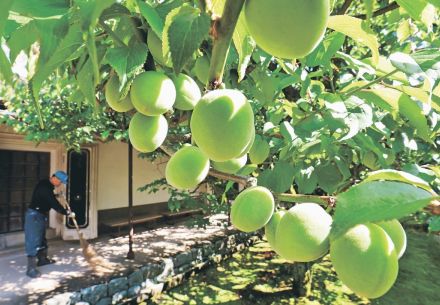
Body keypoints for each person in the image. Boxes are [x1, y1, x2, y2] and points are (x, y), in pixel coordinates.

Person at [25, 170, 75, 278]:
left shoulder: (45, 183)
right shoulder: (45, 188)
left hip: (40, 214)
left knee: (42, 238)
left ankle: (42, 260)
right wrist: (66, 212)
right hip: (34, 216)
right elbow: (52, 202)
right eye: (60, 182)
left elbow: (48, 197)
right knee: (33, 240)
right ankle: (31, 269)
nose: (60, 184)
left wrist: (57, 195)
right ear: (55, 178)